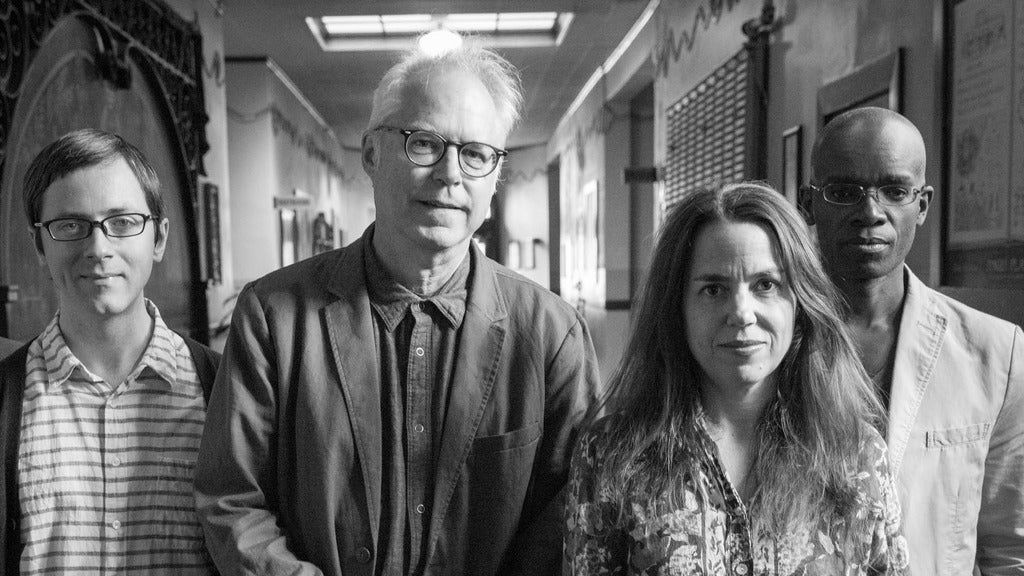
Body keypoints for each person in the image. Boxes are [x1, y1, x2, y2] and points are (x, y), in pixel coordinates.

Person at [195, 41, 600, 576]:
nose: (451, 174)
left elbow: (575, 509)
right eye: (424, 143)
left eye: (477, 154)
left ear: (494, 176)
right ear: (371, 155)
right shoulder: (273, 317)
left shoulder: (551, 334)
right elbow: (232, 500)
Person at [564, 182, 909, 575]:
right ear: (677, 307)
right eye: (714, 289)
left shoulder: (858, 455)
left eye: (766, 285)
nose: (742, 313)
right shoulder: (611, 455)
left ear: (800, 302)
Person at [799, 106, 1024, 575]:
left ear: (921, 206)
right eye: (844, 192)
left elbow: (1009, 550)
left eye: (895, 191)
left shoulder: (995, 354)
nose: (870, 212)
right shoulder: (769, 344)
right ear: (809, 204)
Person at [0, 129, 220, 574]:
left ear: (158, 238)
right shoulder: (6, 399)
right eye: (70, 226)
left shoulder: (222, 389)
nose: (98, 249)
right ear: (40, 245)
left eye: (122, 223)